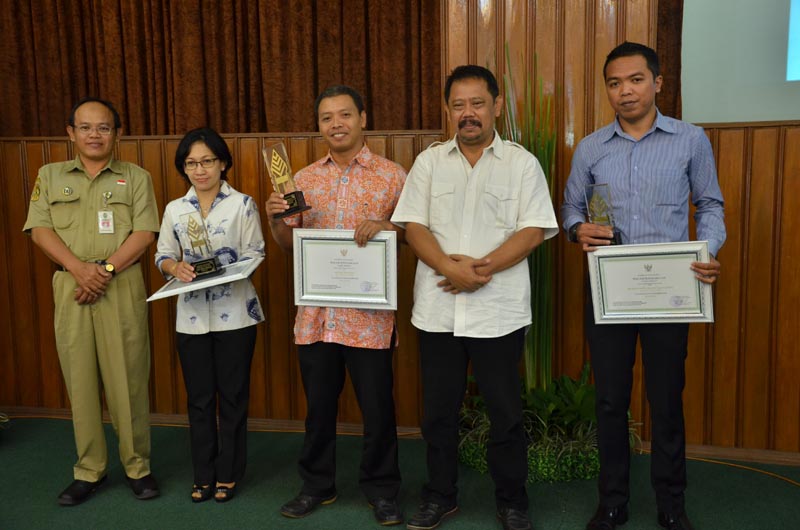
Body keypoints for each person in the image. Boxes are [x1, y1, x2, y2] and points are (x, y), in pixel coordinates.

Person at [561, 42, 726, 530]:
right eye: (614, 83)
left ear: (657, 82)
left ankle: (671, 505)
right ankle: (612, 501)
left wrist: (708, 248)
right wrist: (576, 229)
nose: (624, 91)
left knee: (666, 399)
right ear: (607, 89)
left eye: (635, 80)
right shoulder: (591, 147)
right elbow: (571, 208)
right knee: (610, 400)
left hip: (671, 289)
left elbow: (711, 204)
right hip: (610, 289)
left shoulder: (690, 140)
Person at [391, 65, 558, 530]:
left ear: (497, 106)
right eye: (459, 105)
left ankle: (512, 502)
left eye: (478, 104)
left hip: (498, 313)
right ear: (448, 111)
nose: (469, 114)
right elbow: (413, 226)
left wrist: (481, 270)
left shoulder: (522, 163)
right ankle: (439, 496)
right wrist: (449, 268)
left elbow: (533, 230)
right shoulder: (429, 162)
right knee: (438, 416)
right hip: (438, 311)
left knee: (505, 414)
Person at [266, 85, 406, 526]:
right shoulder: (301, 180)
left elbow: (409, 236)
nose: (336, 124)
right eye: (327, 117)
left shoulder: (393, 176)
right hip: (317, 318)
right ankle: (316, 485)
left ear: (363, 118)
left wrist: (387, 227)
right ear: (319, 125)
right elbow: (289, 244)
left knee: (378, 410)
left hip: (369, 319)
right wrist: (274, 219)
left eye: (345, 114)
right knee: (319, 409)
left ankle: (382, 490)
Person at [23, 97, 160, 505]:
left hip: (121, 285)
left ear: (117, 133)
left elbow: (144, 233)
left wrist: (104, 272)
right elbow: (39, 229)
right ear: (71, 132)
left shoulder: (136, 177)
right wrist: (80, 269)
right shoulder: (49, 176)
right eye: (85, 127)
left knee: (128, 379)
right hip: (70, 286)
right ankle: (89, 470)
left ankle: (138, 467)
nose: (94, 134)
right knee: (79, 380)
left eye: (103, 127)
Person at [155, 127, 265, 503]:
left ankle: (229, 474)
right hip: (190, 317)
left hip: (236, 314)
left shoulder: (243, 204)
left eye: (207, 161)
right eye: (191, 163)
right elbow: (162, 255)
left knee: (232, 396)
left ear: (223, 163)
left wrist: (224, 268)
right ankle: (203, 474)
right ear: (183, 168)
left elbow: (255, 252)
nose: (199, 170)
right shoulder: (174, 208)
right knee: (199, 398)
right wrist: (174, 267)